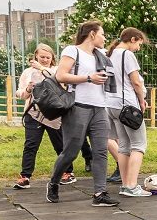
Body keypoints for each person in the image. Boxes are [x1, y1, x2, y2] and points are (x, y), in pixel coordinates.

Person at [48, 19, 117, 206]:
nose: (104, 38)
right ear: (92, 34)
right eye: (102, 34)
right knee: (71, 151)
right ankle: (54, 182)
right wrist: (89, 78)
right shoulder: (73, 51)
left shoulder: (101, 55)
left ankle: (100, 193)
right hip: (77, 106)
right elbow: (60, 75)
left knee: (101, 151)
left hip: (99, 108)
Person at [14, 43, 77, 191]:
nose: (44, 59)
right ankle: (25, 176)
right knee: (30, 145)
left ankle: (68, 172)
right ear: (35, 55)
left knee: (60, 145)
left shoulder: (55, 70)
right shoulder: (27, 72)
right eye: (42, 57)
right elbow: (20, 93)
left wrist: (41, 69)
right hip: (33, 113)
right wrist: (27, 89)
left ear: (52, 58)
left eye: (48, 57)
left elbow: (57, 79)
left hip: (53, 114)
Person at [105, 27, 149, 197]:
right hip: (127, 105)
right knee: (139, 145)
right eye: (139, 43)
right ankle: (132, 186)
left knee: (124, 146)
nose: (138, 47)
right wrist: (141, 101)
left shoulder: (110, 54)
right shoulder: (127, 55)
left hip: (112, 105)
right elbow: (136, 82)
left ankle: (125, 184)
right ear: (133, 39)